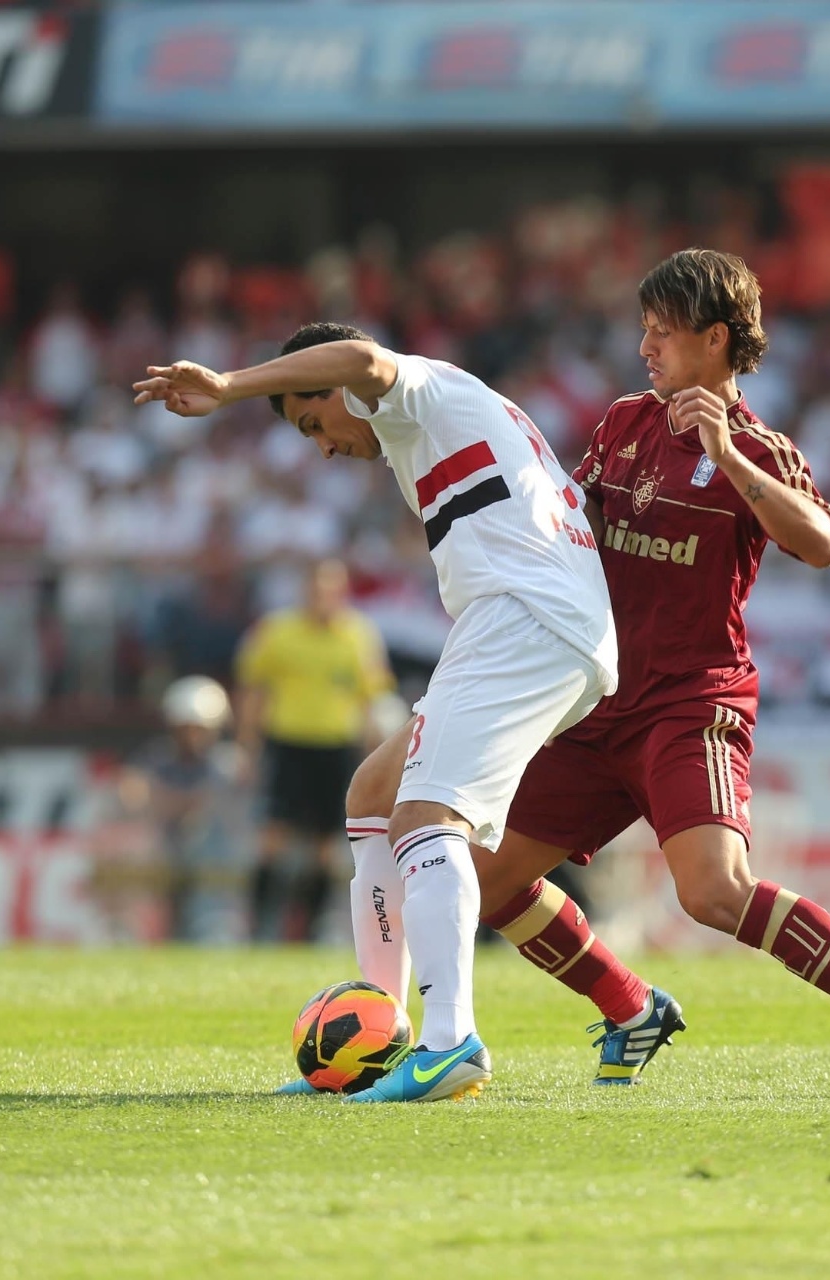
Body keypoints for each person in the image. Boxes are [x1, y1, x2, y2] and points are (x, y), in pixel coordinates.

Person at [340, 249, 830, 1096]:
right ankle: (630, 1006)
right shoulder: (626, 422)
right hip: (590, 698)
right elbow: (565, 527)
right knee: (475, 881)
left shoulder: (760, 449)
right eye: (643, 329)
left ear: (715, 339)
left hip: (687, 703)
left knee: (713, 892)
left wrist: (729, 458)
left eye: (663, 332)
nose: (645, 346)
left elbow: (820, 544)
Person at [135, 320, 616, 1104]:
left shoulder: (411, 390)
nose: (320, 445)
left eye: (311, 422)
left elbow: (360, 358)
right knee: (372, 795)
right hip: (529, 624)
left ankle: (449, 1040)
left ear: (333, 392)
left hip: (525, 619)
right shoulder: (430, 421)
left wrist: (228, 386)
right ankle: (381, 1038)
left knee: (427, 818)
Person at [234, 560, 391, 943]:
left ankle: (305, 933)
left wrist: (378, 760)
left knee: (324, 845)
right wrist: (247, 748)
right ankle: (257, 929)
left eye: (332, 589)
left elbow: (372, 700)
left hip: (335, 749)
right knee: (273, 837)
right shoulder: (277, 632)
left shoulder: (358, 635)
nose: (324, 597)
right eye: (318, 589)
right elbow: (254, 691)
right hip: (288, 745)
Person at [117, 676, 250, 944]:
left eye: (198, 729)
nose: (192, 737)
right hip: (167, 858)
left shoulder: (229, 763)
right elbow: (131, 792)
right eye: (184, 729)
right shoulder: (158, 759)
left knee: (213, 927)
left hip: (216, 868)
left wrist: (168, 800)